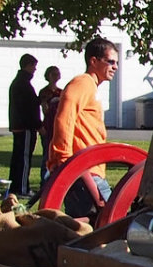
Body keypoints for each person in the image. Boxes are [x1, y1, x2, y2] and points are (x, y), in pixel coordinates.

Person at [45, 39, 118, 217]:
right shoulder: (83, 83)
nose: (115, 67)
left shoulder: (90, 86)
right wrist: (63, 157)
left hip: (86, 170)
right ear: (93, 61)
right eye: (110, 62)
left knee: (85, 228)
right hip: (85, 173)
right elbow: (65, 117)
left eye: (116, 63)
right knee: (114, 223)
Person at [7, 54, 41, 198]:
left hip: (18, 125)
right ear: (27, 66)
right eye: (33, 66)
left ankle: (14, 186)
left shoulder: (18, 83)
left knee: (18, 157)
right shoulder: (24, 85)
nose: (35, 69)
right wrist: (38, 125)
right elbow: (29, 108)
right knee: (24, 158)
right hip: (25, 127)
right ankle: (22, 188)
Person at [37, 65, 64, 167]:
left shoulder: (61, 92)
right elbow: (45, 110)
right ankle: (45, 179)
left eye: (58, 74)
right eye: (54, 74)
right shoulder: (44, 92)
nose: (56, 76)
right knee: (47, 154)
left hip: (58, 125)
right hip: (48, 125)